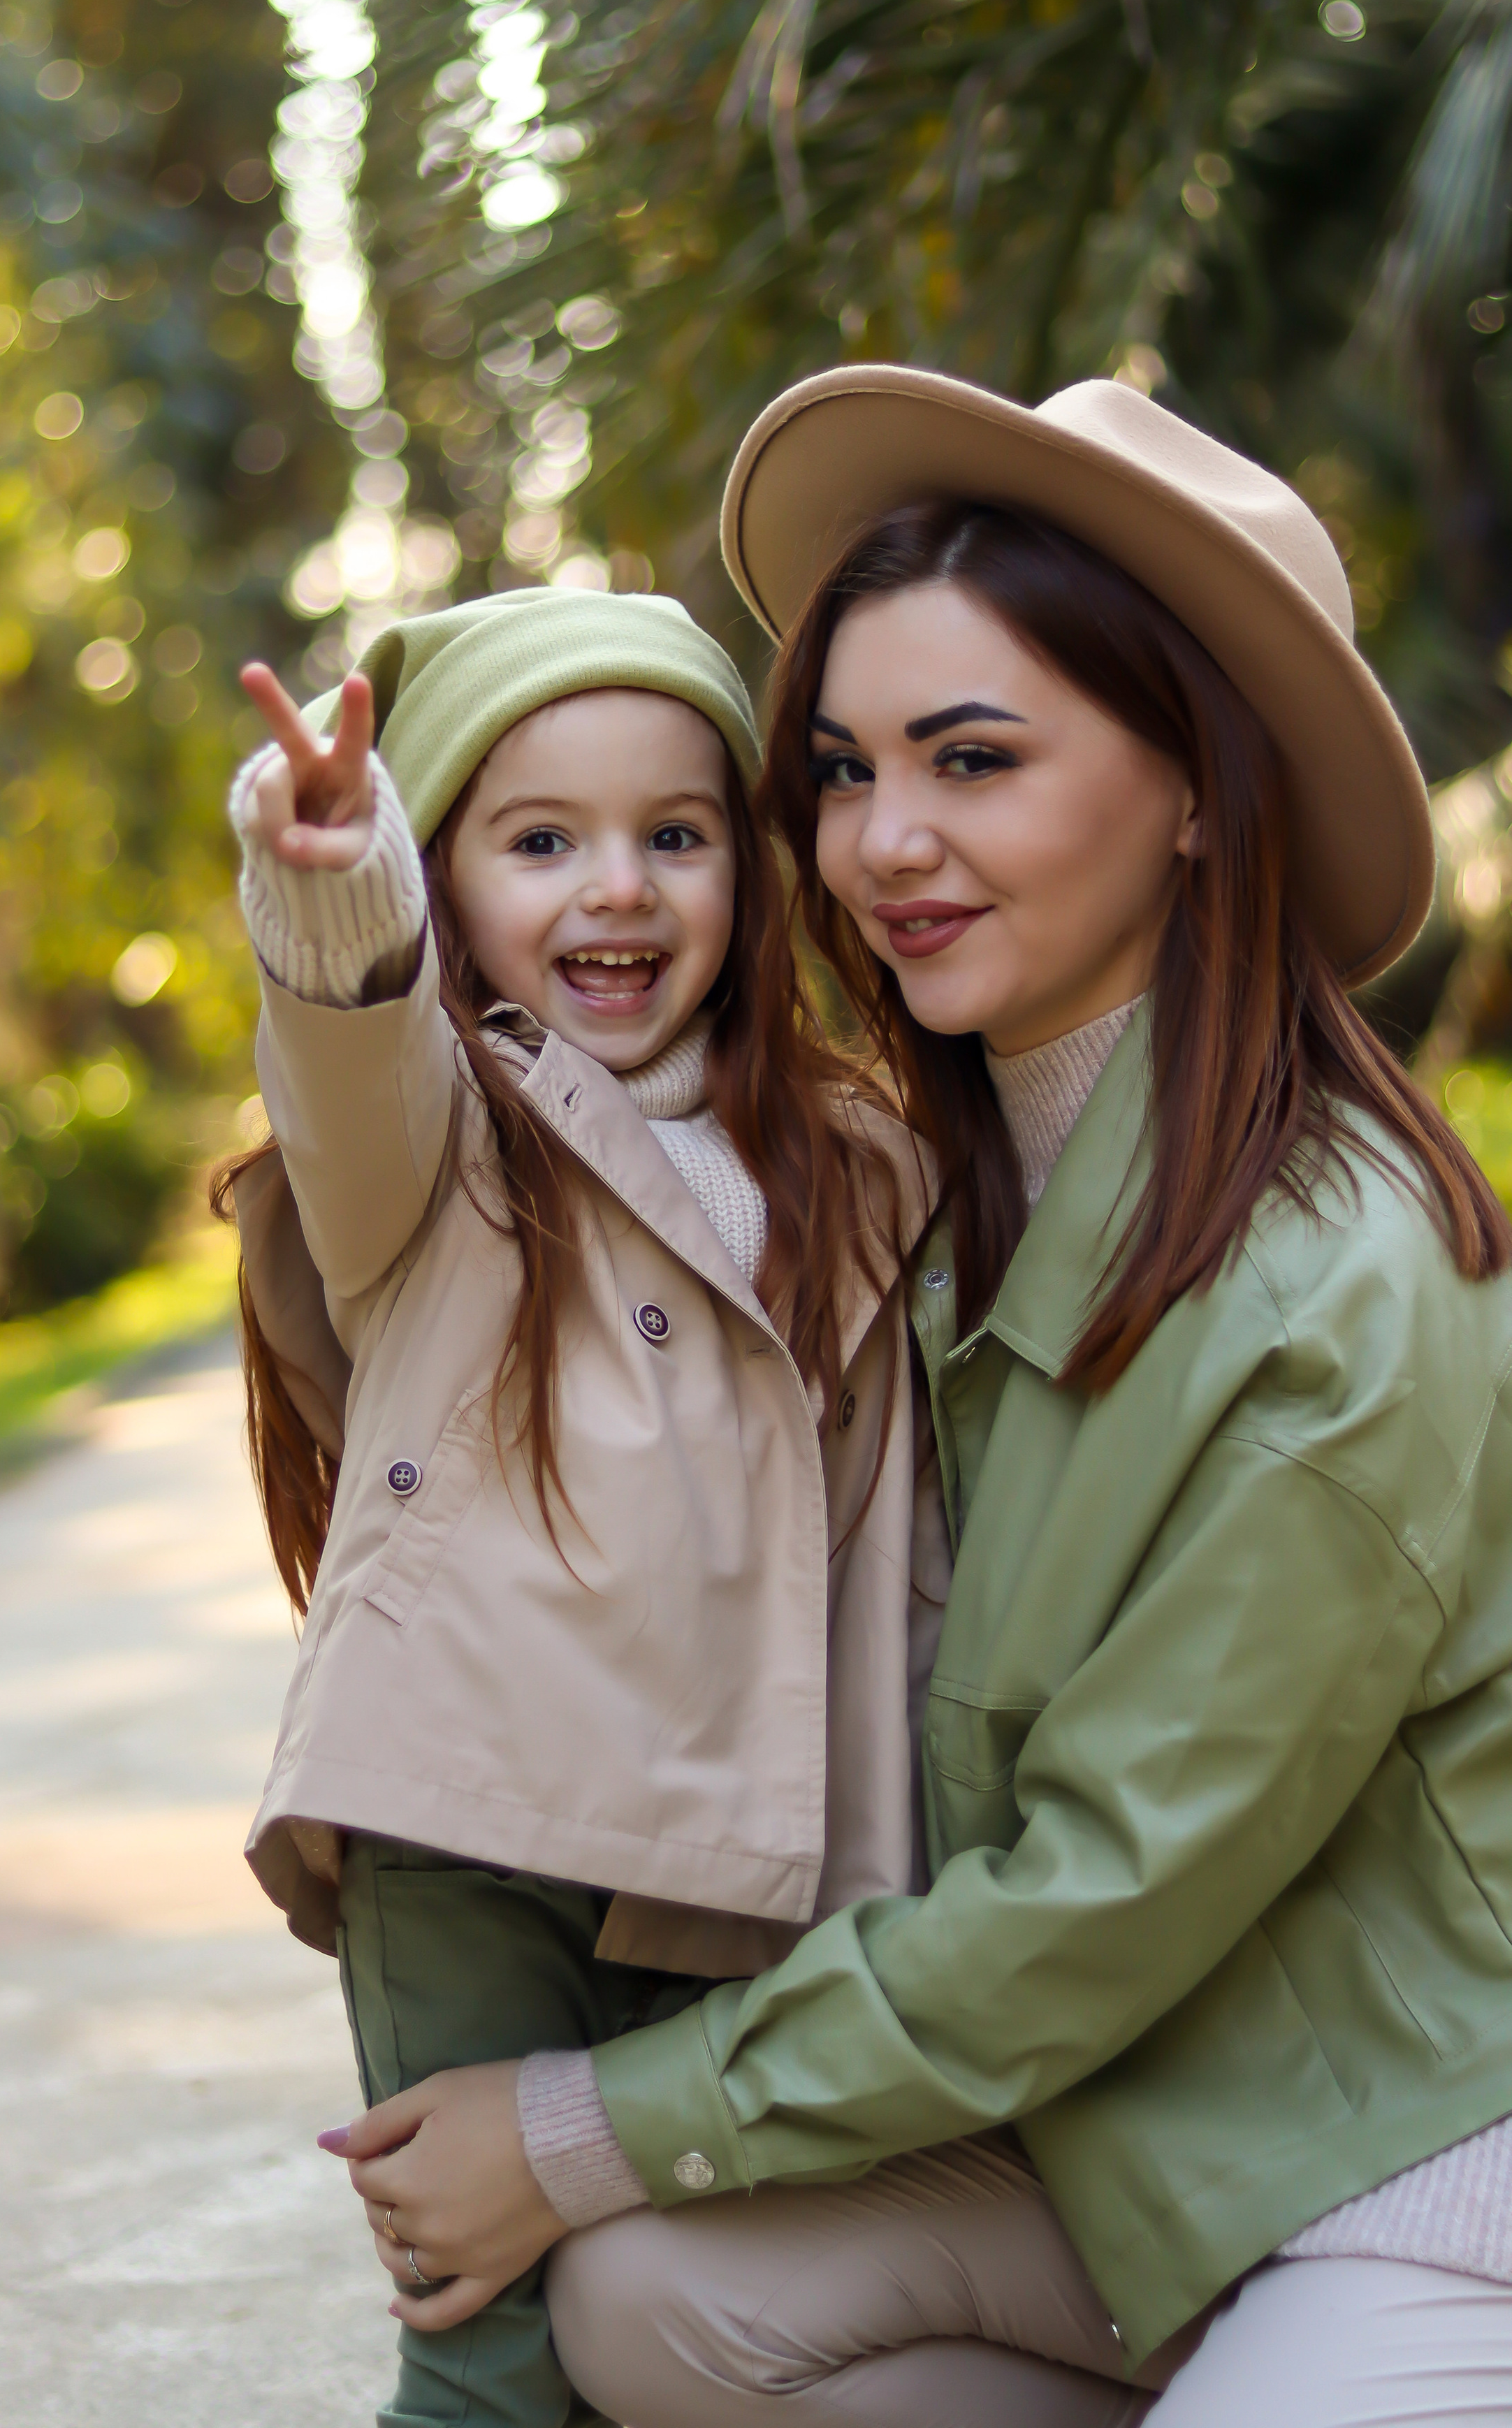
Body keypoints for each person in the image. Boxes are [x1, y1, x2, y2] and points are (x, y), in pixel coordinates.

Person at [321, 373, 1512, 2427]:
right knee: (644, 2309)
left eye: (974, 761)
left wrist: (587, 2120)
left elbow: (1098, 1895)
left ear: (1204, 786)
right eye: (847, 769)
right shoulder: (915, 1197)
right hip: (1118, 2130)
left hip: (1396, 2152)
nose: (883, 846)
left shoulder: (1339, 1288)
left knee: (615, 2203)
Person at [219, 586, 933, 2428]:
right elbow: (352, 1041)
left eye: (675, 836)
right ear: (449, 885)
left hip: (712, 1848)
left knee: (651, 2292)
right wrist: (330, 875)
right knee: (492, 2343)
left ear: (748, 880)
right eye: (541, 841)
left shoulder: (848, 1164)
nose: (617, 889)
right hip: (466, 1818)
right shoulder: (443, 1152)